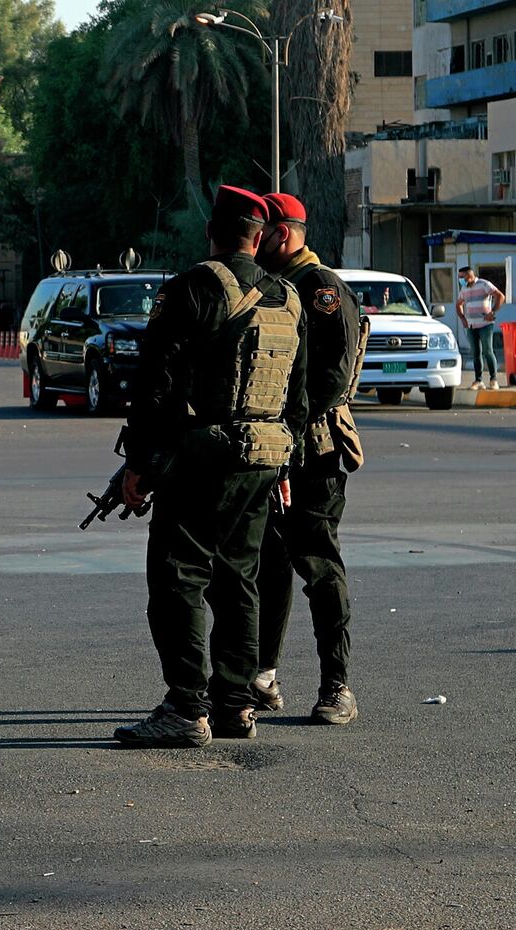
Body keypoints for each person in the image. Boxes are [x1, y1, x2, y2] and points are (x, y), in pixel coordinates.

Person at [114, 186, 309, 748]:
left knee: (178, 578)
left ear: (212, 231)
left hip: (204, 459)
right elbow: (295, 396)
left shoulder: (195, 288)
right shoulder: (286, 296)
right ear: (258, 235)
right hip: (264, 459)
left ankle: (186, 706)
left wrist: (139, 464)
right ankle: (234, 705)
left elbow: (157, 384)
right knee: (239, 581)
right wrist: (284, 466)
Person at [250, 193, 361, 726]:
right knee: (267, 566)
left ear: (285, 234)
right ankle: (262, 676)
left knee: (318, 566)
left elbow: (330, 381)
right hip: (272, 453)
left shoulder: (322, 292)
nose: (257, 241)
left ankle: (337, 685)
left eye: (264, 232)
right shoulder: (273, 287)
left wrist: (288, 441)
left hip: (312, 452)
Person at [457, 265, 504, 390]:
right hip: (471, 325)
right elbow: (459, 304)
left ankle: (493, 379)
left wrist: (492, 312)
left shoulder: (484, 284)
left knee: (487, 351)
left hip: (485, 324)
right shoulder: (464, 289)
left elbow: (500, 296)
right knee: (475, 353)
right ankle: (478, 380)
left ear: (469, 275)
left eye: (462, 277)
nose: (460, 279)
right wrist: (462, 318)